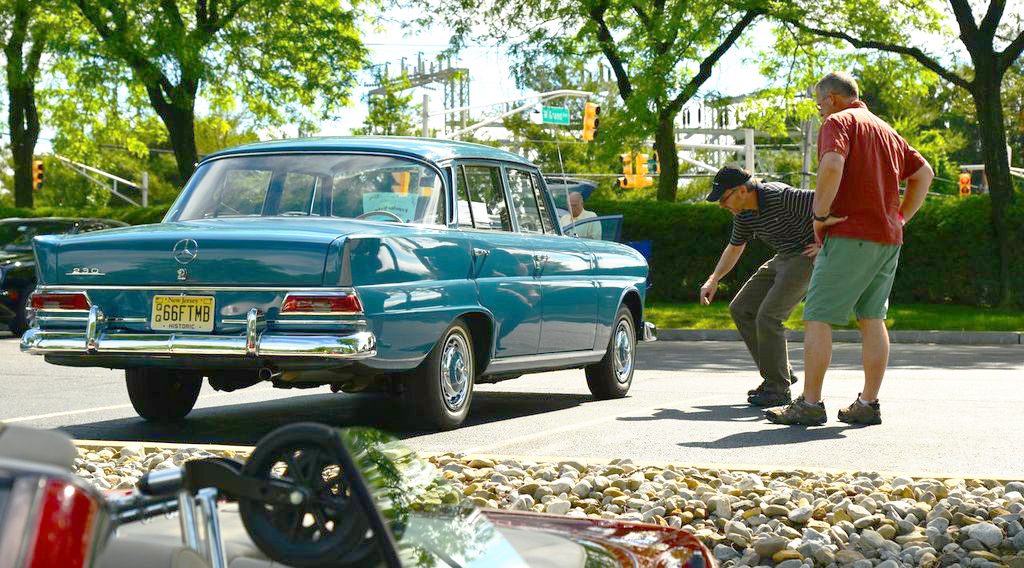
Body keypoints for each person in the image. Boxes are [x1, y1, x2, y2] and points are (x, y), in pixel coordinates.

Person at [766, 71, 933, 426]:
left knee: (818, 315)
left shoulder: (839, 122)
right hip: (888, 237)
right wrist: (901, 217)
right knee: (872, 317)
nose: (819, 112)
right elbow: (925, 174)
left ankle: (810, 405)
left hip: (849, 232)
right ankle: (868, 404)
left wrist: (820, 214)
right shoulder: (885, 129)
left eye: (818, 104)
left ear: (832, 99)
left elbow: (832, 164)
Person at [700, 166, 839, 406]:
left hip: (806, 257)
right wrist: (714, 278)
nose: (722, 205)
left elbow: (834, 203)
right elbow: (735, 247)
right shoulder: (744, 214)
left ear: (742, 190)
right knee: (741, 308)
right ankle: (780, 371)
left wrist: (825, 244)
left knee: (768, 316)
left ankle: (777, 387)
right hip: (783, 257)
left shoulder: (782, 197)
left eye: (724, 198)